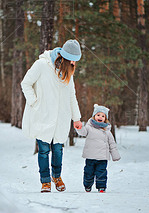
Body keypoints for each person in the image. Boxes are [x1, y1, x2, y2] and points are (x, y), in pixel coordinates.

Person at [21, 39, 83, 193]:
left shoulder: (68, 72)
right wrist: (35, 102)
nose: (74, 64)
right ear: (66, 57)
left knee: (58, 150)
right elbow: (26, 83)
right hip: (43, 115)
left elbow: (71, 96)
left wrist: (76, 118)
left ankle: (57, 176)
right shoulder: (42, 65)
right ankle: (45, 181)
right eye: (73, 61)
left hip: (61, 118)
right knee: (43, 150)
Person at [75, 104, 121, 193]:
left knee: (101, 173)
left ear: (105, 118)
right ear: (94, 116)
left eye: (103, 116)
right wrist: (79, 128)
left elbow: (112, 144)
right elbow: (83, 132)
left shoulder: (107, 131)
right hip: (90, 156)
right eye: (98, 115)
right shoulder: (89, 127)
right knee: (88, 172)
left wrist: (115, 155)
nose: (100, 117)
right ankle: (87, 185)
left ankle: (101, 187)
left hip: (102, 157)